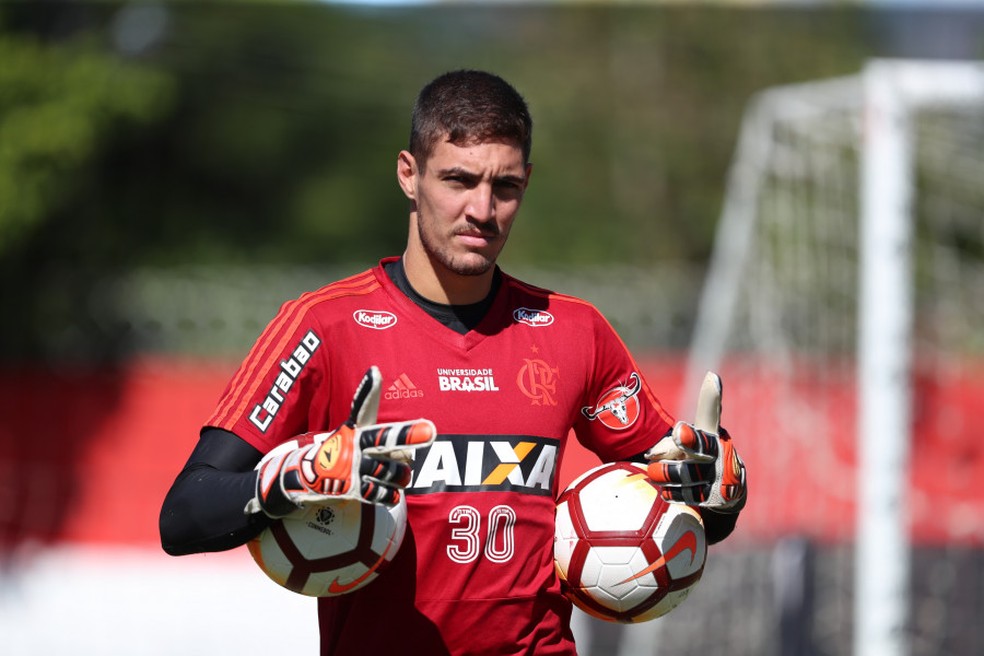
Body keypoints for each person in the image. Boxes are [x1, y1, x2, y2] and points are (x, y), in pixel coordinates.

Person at [159, 69, 747, 656]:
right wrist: (286, 482)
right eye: (458, 180)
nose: (483, 210)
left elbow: (686, 512)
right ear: (408, 175)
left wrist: (718, 493)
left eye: (506, 186)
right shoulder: (324, 325)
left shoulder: (575, 331)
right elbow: (184, 515)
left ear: (527, 183)